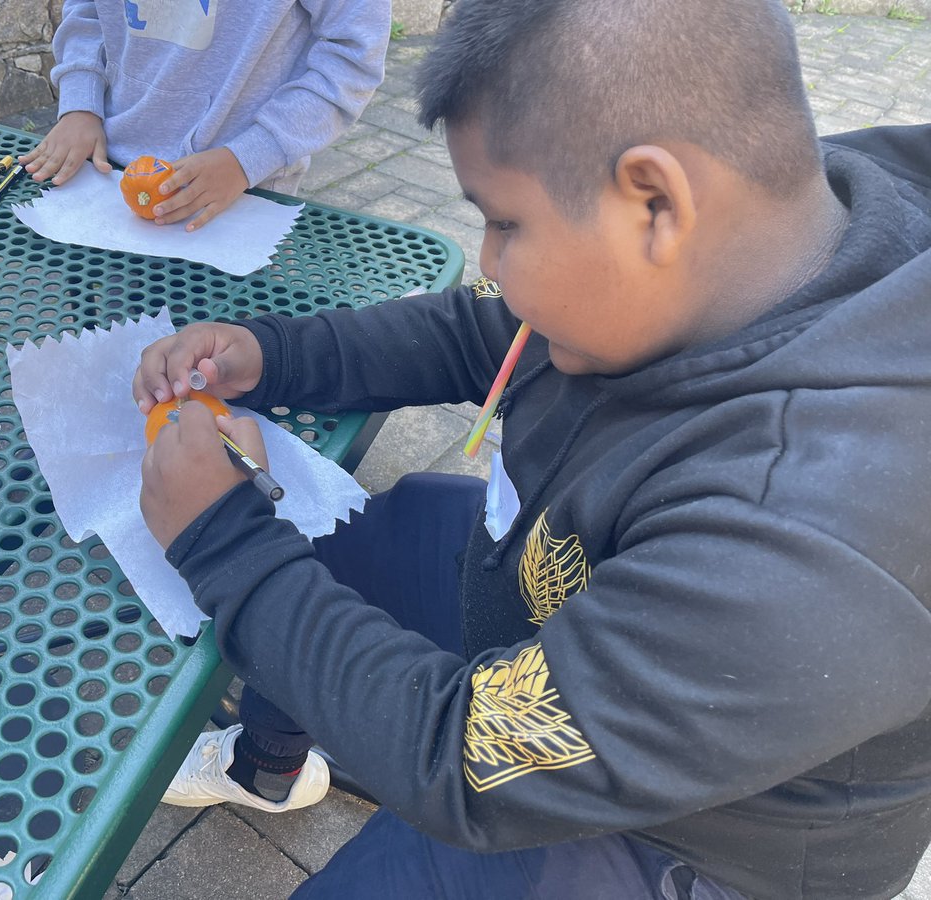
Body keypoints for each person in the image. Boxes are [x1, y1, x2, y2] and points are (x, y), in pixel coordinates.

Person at [134, 0, 931, 896]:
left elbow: (461, 759)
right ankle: (269, 767)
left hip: (680, 835)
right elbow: (494, 330)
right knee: (356, 536)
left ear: (656, 203)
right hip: (548, 580)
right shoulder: (750, 227)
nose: (491, 258)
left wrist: (222, 540)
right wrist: (276, 355)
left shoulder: (805, 541)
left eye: (505, 223)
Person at [18, 0, 390, 231]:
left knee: (215, 349)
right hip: (105, 175)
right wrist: (81, 103)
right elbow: (87, 10)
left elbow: (352, 61)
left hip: (241, 192)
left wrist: (245, 159)